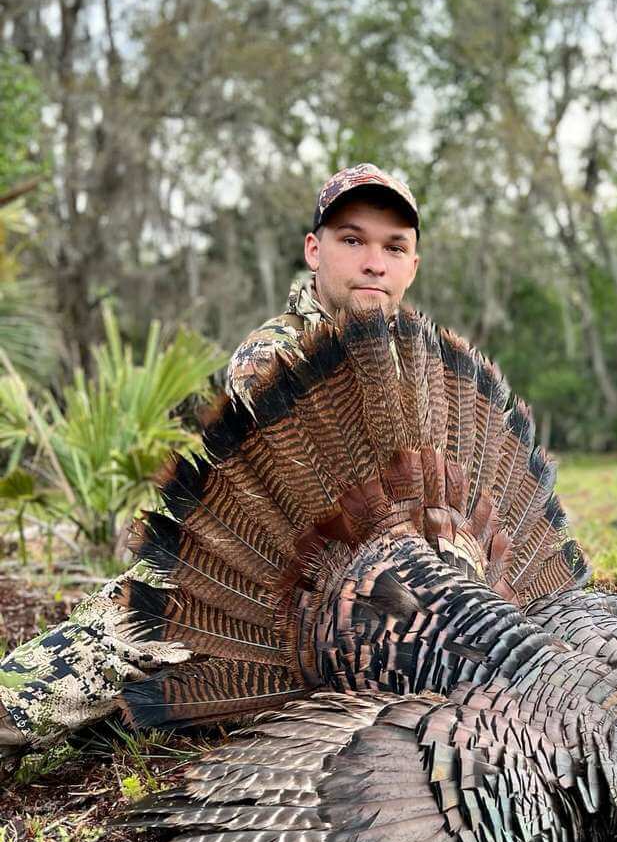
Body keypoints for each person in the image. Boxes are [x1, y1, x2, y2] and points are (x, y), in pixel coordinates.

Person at [0, 163, 421, 770]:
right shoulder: (274, 355)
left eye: (394, 247)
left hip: (353, 601)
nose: (374, 263)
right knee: (51, 686)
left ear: (412, 265)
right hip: (235, 581)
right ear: (314, 251)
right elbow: (312, 505)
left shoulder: (420, 366)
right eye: (352, 240)